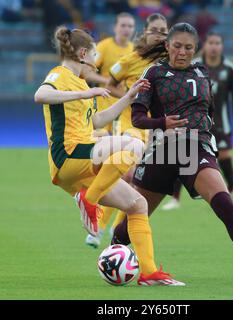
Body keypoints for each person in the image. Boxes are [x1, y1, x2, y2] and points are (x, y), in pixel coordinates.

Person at [112, 23, 233, 285]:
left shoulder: (202, 73)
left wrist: (208, 136)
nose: (182, 52)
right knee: (136, 216)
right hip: (163, 151)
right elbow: (136, 118)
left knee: (224, 203)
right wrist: (162, 124)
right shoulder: (153, 73)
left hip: (196, 147)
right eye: (177, 46)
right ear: (167, 46)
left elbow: (208, 112)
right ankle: (112, 258)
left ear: (196, 50)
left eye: (188, 47)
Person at [34, 26, 183, 286]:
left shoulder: (81, 82)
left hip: (84, 162)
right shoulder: (60, 75)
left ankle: (148, 272)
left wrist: (128, 97)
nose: (96, 61)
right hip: (69, 156)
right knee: (134, 146)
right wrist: (85, 93)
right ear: (82, 53)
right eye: (94, 55)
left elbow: (98, 120)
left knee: (138, 205)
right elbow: (40, 95)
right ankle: (90, 201)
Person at [86, 13, 169, 248]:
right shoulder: (130, 58)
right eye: (155, 30)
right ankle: (98, 228)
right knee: (127, 174)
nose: (160, 35)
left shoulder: (170, 60)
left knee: (140, 184)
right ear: (145, 31)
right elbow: (109, 82)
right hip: (130, 124)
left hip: (158, 129)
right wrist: (131, 97)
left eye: (164, 31)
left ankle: (117, 233)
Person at [163, 31, 233, 210]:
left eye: (217, 43)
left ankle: (231, 190)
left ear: (221, 46)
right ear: (204, 45)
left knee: (225, 158)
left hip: (220, 123)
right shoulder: (194, 66)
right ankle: (175, 198)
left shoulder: (229, 69)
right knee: (184, 156)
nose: (214, 47)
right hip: (194, 122)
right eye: (211, 43)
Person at [84, 12, 136, 248]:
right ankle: (97, 224)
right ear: (115, 27)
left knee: (125, 176)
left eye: (130, 26)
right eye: (123, 25)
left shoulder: (135, 52)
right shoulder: (105, 47)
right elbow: (87, 72)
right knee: (109, 172)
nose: (126, 29)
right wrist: (107, 83)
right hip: (104, 115)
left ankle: (103, 230)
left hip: (126, 118)